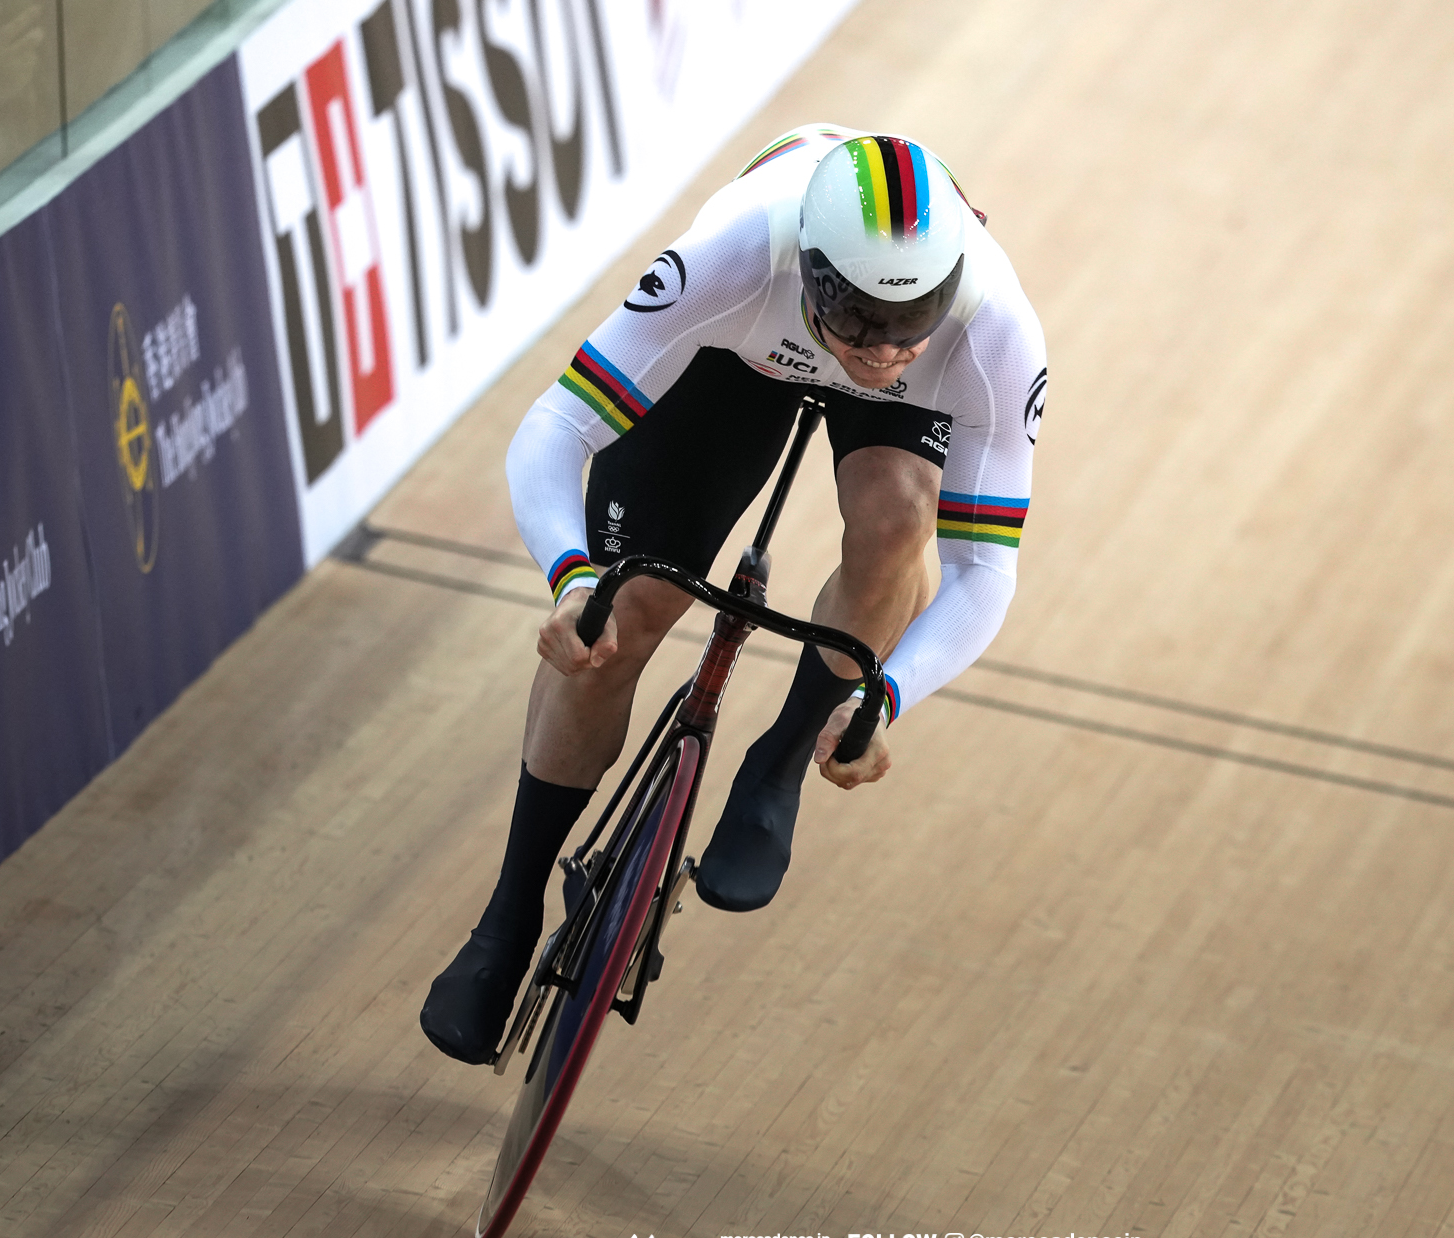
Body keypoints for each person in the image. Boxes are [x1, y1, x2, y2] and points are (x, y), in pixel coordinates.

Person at [421, 125, 1047, 1064]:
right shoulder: (734, 257)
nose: (880, 351)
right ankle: (508, 913)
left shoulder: (995, 330)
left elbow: (982, 571)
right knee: (613, 624)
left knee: (901, 517)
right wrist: (573, 575)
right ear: (813, 272)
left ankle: (783, 758)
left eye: (908, 320)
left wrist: (889, 694)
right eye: (860, 323)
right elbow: (555, 429)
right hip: (739, 356)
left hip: (878, 396)